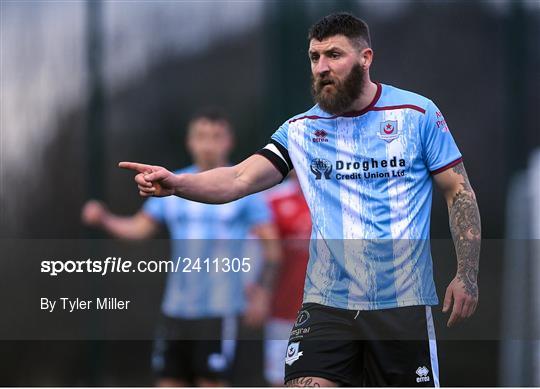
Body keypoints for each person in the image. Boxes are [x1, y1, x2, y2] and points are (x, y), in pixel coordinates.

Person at [118, 12, 481, 387]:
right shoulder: (301, 130)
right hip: (327, 304)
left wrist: (466, 274)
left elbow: (459, 191)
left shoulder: (417, 114)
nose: (322, 67)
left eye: (334, 55)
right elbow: (239, 178)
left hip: (400, 303)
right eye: (314, 57)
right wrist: (178, 183)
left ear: (365, 58)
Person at [82, 109, 280, 387]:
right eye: (201, 136)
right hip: (176, 309)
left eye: (216, 136)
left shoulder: (244, 189)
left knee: (211, 383)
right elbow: (138, 230)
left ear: (229, 141)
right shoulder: (172, 186)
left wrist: (262, 291)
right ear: (190, 142)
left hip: (219, 309)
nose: (208, 144)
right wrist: (105, 219)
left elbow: (272, 247)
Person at [263, 173, 311, 386]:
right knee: (280, 378)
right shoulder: (273, 201)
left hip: (331, 310)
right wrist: (256, 292)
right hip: (283, 309)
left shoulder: (342, 199)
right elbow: (257, 252)